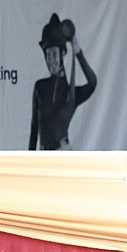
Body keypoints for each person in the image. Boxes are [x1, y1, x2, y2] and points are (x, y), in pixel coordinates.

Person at [29, 14, 98, 150]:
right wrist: (28, 161)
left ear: (62, 54)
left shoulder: (71, 93)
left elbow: (92, 83)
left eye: (54, 53)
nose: (51, 60)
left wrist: (77, 51)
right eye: (48, 55)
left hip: (63, 154)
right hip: (43, 156)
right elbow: (34, 127)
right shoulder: (40, 87)